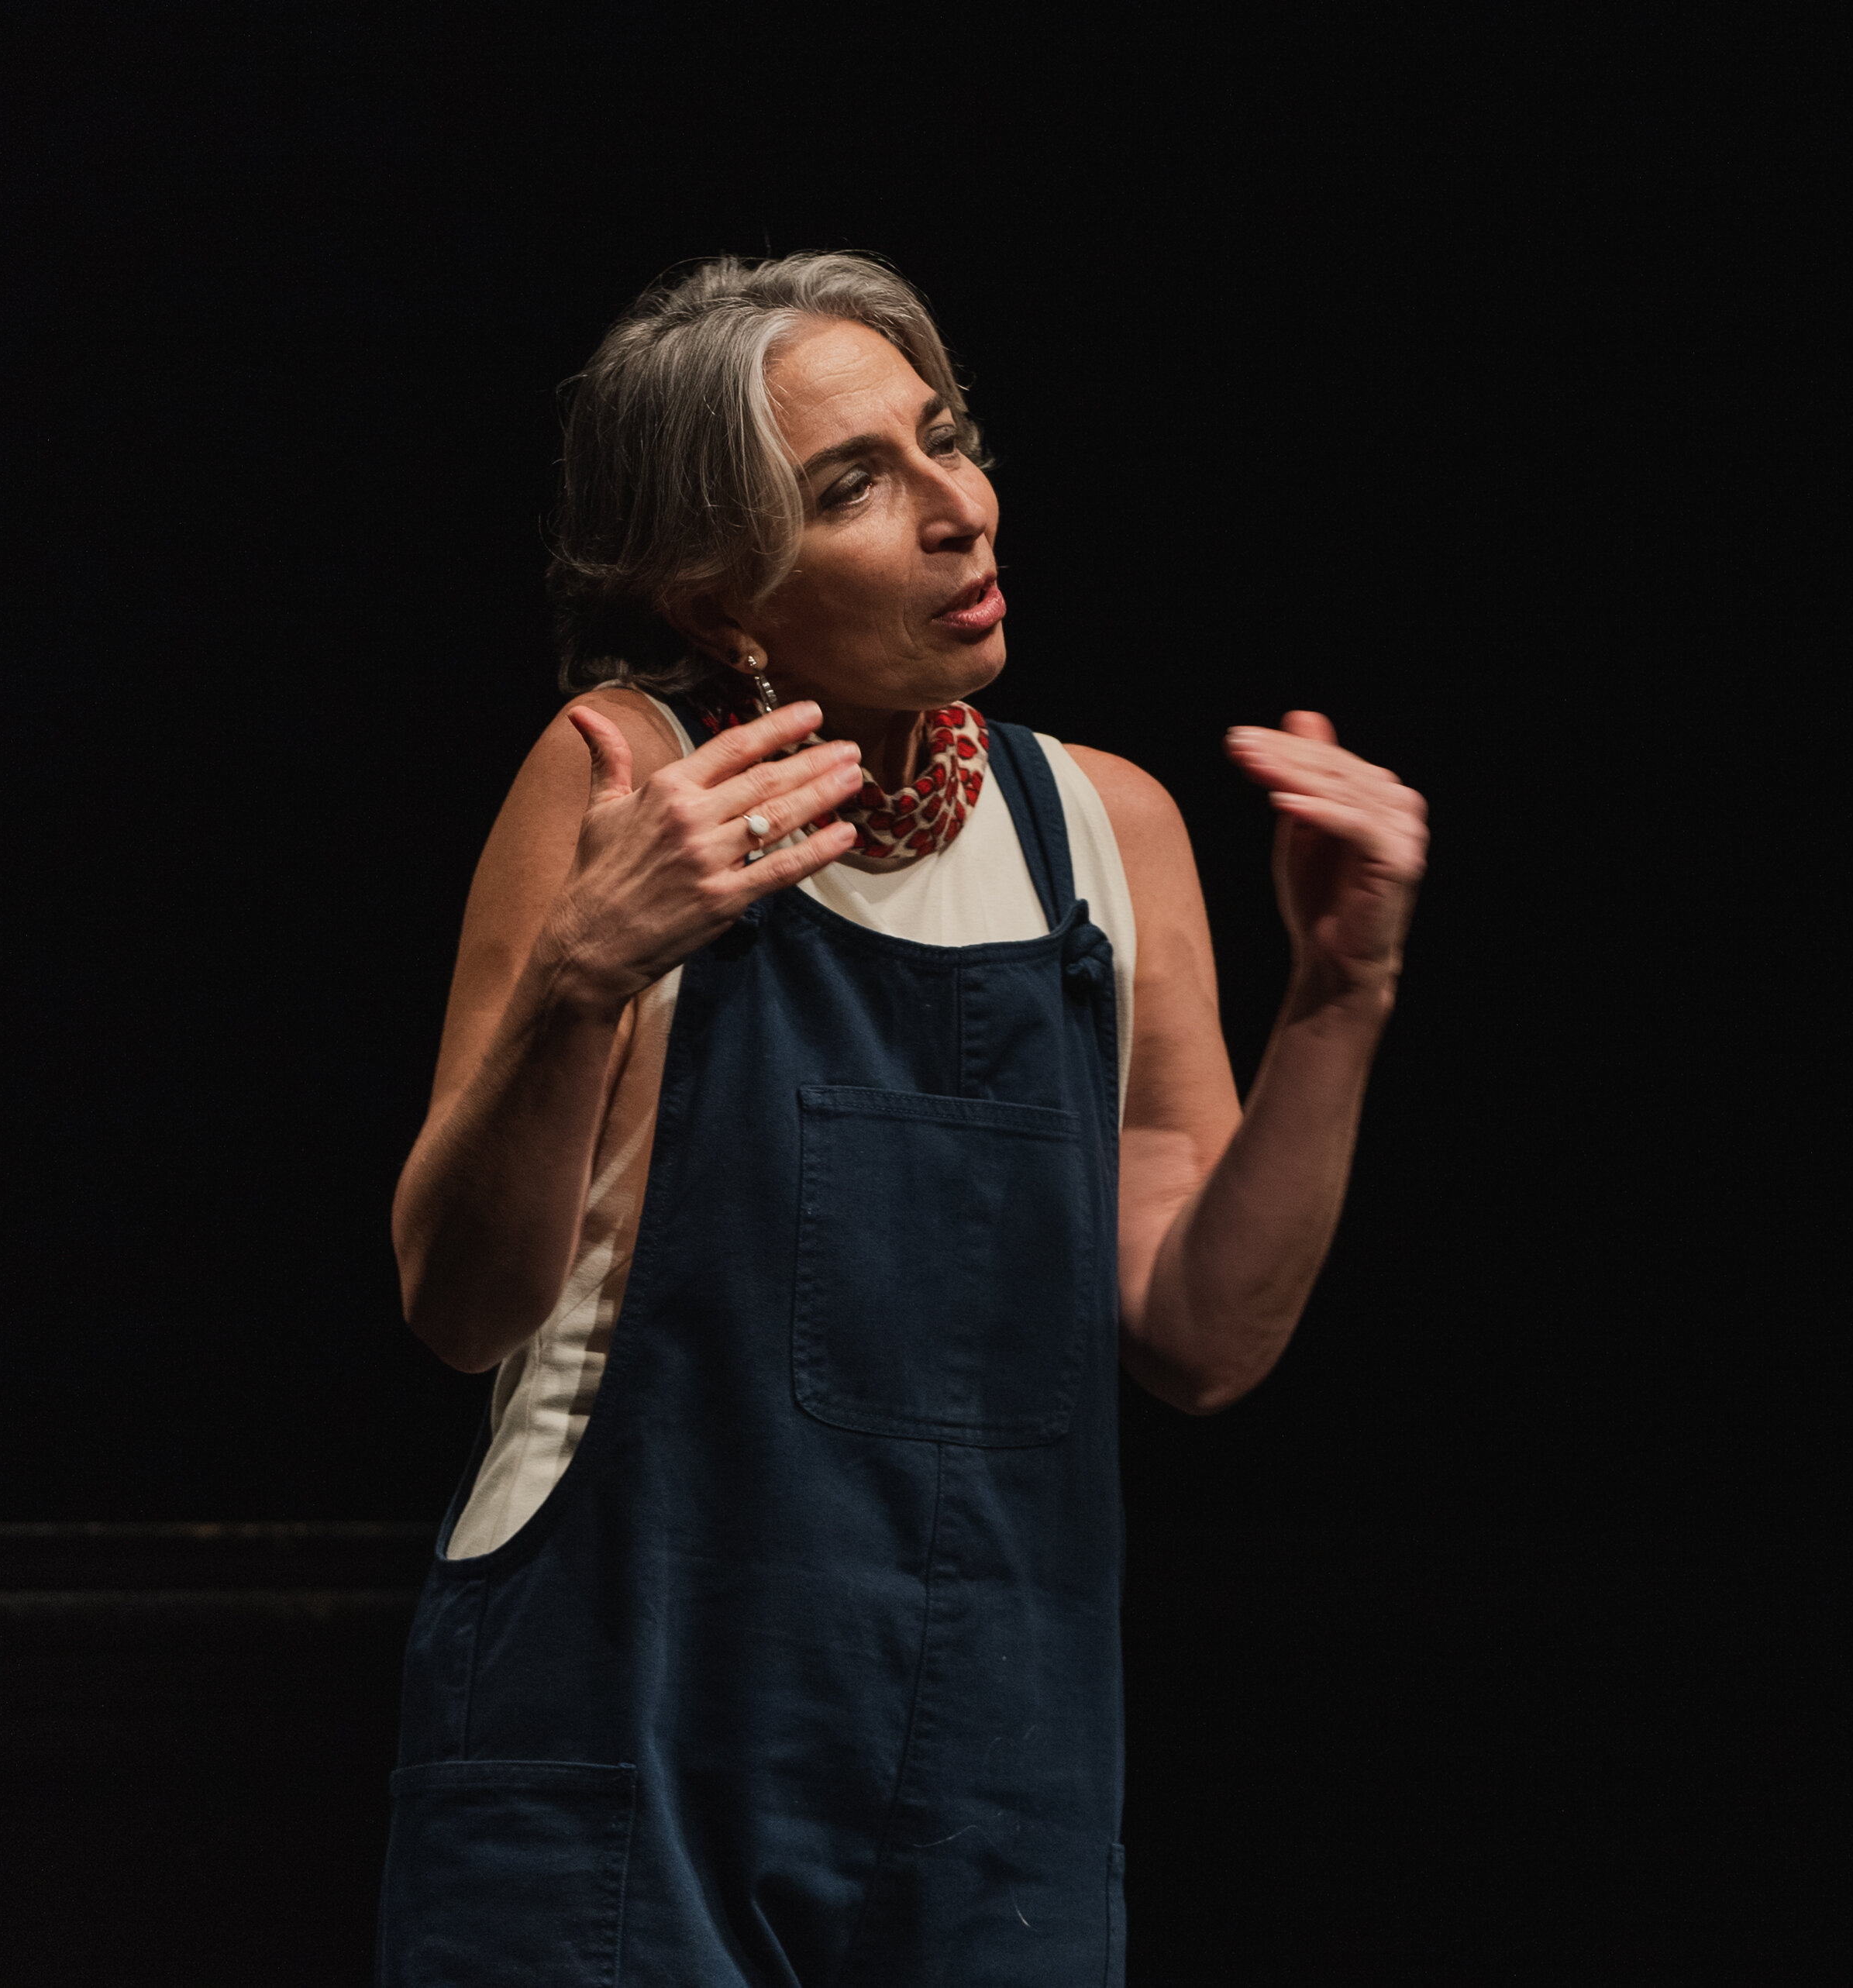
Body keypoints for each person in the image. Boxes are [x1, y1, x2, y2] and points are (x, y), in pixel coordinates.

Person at [375, 253, 1426, 1986]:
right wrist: (583, 971)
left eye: (949, 441)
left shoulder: (1100, 829)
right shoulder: (626, 780)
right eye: (854, 485)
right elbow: (458, 1302)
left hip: (991, 1787)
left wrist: (1340, 994)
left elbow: (1202, 1333)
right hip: (621, 1741)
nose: (961, 508)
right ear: (721, 597)